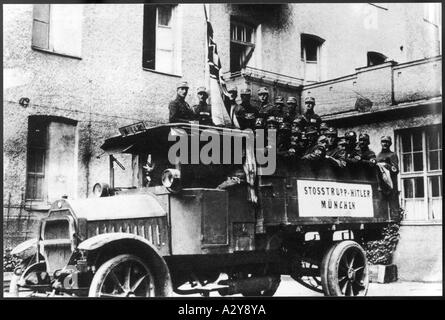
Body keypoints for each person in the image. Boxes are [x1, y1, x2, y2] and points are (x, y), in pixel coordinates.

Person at [376, 136, 400, 214]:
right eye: (383, 141)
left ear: (390, 144)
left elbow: (395, 170)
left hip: (391, 185)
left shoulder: (392, 155)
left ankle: (395, 224)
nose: (385, 144)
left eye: (387, 142)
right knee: (382, 208)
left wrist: (386, 165)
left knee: (393, 207)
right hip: (381, 185)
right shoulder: (378, 155)